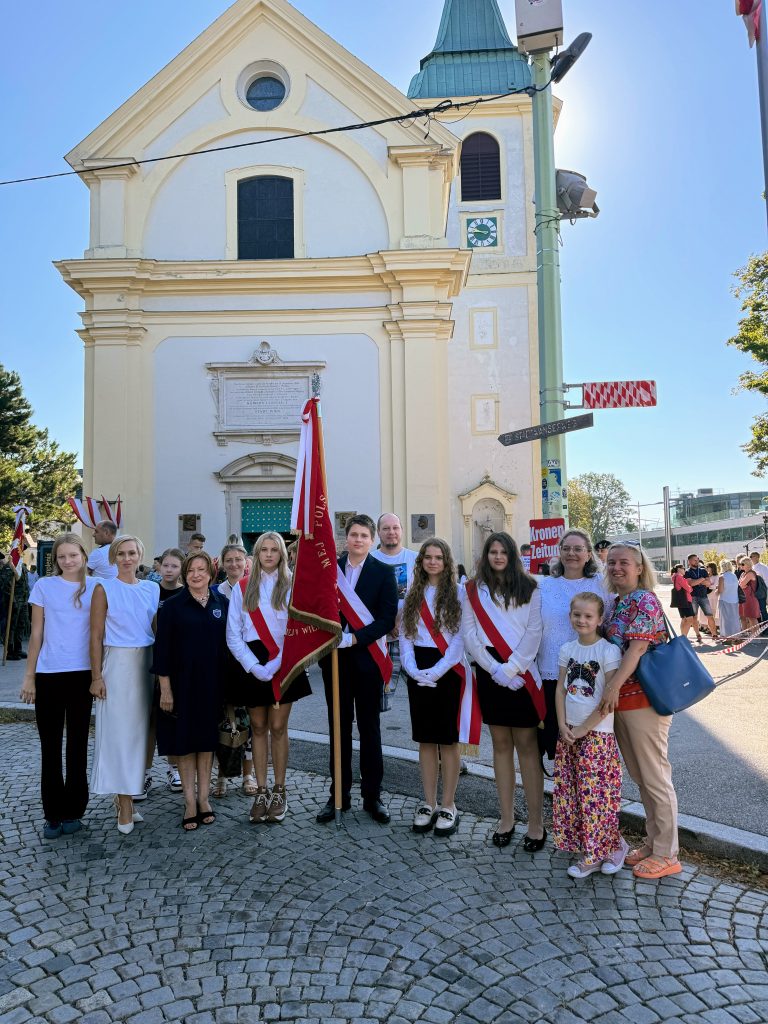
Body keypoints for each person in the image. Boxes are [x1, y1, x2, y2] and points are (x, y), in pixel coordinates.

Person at [600, 543, 680, 879]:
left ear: (639, 567)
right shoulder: (619, 603)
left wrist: (612, 687)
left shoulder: (645, 599)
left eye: (625, 563)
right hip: (624, 703)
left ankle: (667, 853)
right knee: (641, 776)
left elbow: (636, 650)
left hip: (644, 699)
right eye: (613, 563)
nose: (617, 568)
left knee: (655, 777)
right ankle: (653, 842)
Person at [461, 532, 545, 850]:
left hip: (522, 672)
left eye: (503, 552)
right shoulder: (472, 590)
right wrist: (494, 669)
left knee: (527, 748)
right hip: (489, 672)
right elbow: (469, 634)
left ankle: (536, 824)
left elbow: (535, 631)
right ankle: (506, 818)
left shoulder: (531, 588)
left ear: (512, 556)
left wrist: (512, 668)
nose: (498, 557)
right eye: (492, 551)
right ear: (486, 555)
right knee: (499, 745)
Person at [317, 514, 398, 824]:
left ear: (372, 539)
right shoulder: (330, 571)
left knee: (369, 729)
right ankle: (339, 794)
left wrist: (353, 638)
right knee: (338, 730)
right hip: (334, 662)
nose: (359, 540)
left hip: (367, 660)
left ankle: (372, 796)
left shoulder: (382, 572)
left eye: (364, 535)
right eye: (354, 534)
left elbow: (387, 618)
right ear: (346, 537)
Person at [227, 532, 311, 824]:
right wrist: (254, 666)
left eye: (275, 550)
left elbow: (298, 630)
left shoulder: (292, 586)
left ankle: (280, 789)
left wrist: (276, 663)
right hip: (253, 663)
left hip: (284, 661)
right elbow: (233, 635)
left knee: (278, 726)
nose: (269, 554)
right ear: (256, 553)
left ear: (282, 554)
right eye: (264, 549)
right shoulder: (241, 588)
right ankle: (261, 791)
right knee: (258, 727)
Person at [20, 534, 97, 839]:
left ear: (83, 556)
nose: (67, 561)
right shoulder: (43, 587)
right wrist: (29, 676)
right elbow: (36, 634)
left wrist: (99, 676)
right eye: (61, 556)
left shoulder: (96, 587)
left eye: (73, 555)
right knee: (50, 747)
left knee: (77, 745)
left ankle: (74, 811)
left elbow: (100, 633)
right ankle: (52, 813)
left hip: (82, 675)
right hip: (49, 674)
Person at [89, 534, 160, 835]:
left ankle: (132, 791)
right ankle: (124, 801)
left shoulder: (152, 589)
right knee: (119, 732)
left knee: (141, 733)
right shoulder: (104, 588)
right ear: (114, 557)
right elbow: (94, 635)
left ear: (140, 556)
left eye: (132, 553)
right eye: (121, 554)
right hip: (116, 664)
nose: (127, 558)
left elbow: (156, 629)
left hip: (147, 663)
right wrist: (96, 677)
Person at [553, 592, 626, 878]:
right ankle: (597, 844)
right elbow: (560, 688)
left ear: (599, 620)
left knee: (596, 795)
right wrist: (562, 723)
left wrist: (585, 728)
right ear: (570, 616)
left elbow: (609, 698)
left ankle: (595, 854)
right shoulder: (567, 648)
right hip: (569, 731)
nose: (582, 620)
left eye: (588, 616)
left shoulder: (607, 651)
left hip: (597, 733)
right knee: (571, 793)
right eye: (577, 615)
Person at [154, 552, 227, 830]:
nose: (197, 574)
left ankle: (204, 798)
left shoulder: (223, 603)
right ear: (185, 573)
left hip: (213, 685)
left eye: (202, 569)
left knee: (207, 742)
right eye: (192, 570)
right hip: (181, 685)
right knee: (184, 743)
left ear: (211, 573)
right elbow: (161, 651)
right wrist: (165, 689)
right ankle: (188, 801)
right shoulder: (172, 606)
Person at [400, 538, 465, 837]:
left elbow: (459, 640)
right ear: (421, 561)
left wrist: (437, 671)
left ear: (446, 561)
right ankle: (428, 802)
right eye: (428, 557)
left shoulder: (458, 594)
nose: (433, 562)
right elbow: (406, 635)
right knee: (426, 740)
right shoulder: (411, 594)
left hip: (447, 669)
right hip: (418, 669)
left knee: (447, 740)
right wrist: (412, 670)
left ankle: (449, 805)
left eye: (439, 557)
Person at [536, 529, 606, 765]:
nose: (571, 553)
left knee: (587, 745)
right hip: (550, 671)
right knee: (556, 739)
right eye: (566, 548)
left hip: (588, 675)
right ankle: (562, 797)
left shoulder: (601, 584)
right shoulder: (546, 585)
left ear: (588, 554)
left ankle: (584, 797)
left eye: (578, 549)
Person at [215, 542, 256, 797]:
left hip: (248, 664)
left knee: (249, 723)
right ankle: (221, 775)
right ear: (221, 564)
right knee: (223, 721)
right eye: (228, 560)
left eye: (238, 560)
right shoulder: (215, 592)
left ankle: (248, 774)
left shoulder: (255, 588)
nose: (234, 565)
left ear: (246, 563)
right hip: (223, 665)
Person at [372, 513, 417, 704]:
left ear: (401, 530)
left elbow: (421, 595)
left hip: (411, 636)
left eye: (395, 528)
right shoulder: (370, 559)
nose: (391, 532)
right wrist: (387, 623)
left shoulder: (416, 559)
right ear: (378, 532)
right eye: (386, 528)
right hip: (380, 638)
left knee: (421, 695)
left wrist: (399, 620)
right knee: (378, 699)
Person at [0, 560, 30, 660]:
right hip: (13, 602)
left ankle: (18, 649)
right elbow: (5, 586)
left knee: (21, 625)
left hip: (23, 601)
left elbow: (25, 584)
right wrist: (13, 600)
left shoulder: (22, 566)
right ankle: (10, 650)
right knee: (11, 626)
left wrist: (27, 599)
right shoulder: (9, 567)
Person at [684, 554, 717, 639]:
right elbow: (690, 583)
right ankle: (697, 634)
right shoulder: (687, 572)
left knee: (710, 616)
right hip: (693, 597)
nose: (697, 561)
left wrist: (697, 581)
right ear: (689, 561)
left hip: (703, 596)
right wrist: (702, 579)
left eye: (697, 559)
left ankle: (714, 634)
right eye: (694, 560)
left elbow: (708, 583)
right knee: (694, 617)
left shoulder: (703, 571)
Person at [670, 564, 702, 642]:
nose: (684, 570)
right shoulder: (679, 577)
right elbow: (688, 588)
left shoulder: (675, 577)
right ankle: (684, 637)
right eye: (683, 568)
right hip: (685, 600)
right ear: (679, 569)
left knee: (684, 619)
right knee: (690, 619)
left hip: (681, 601)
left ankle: (683, 637)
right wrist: (690, 587)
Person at [717, 560, 741, 639]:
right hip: (734, 599)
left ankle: (726, 637)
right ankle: (736, 636)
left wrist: (715, 591)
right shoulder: (734, 576)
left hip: (724, 599)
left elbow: (720, 590)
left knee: (725, 619)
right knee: (734, 618)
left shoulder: (722, 577)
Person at [738, 556, 760, 629]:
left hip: (750, 598)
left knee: (752, 618)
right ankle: (746, 634)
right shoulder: (743, 574)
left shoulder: (751, 573)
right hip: (743, 598)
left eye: (742, 564)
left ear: (748, 564)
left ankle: (755, 637)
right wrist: (742, 585)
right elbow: (740, 585)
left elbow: (741, 584)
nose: (740, 566)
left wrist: (742, 585)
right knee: (743, 617)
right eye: (740, 564)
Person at [749, 552, 768, 622]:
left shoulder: (763, 567)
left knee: (763, 610)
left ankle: (766, 629)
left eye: (752, 556)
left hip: (761, 592)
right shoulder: (751, 568)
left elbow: (766, 580)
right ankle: (759, 628)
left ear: (757, 557)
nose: (750, 558)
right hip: (753, 593)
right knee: (756, 611)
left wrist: (766, 594)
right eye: (750, 556)